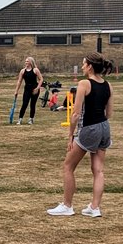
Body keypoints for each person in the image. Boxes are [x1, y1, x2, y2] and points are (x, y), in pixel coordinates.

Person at [47, 53, 114, 218]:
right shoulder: (108, 85)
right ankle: (94, 207)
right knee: (98, 170)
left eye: (84, 64)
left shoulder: (84, 84)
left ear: (90, 66)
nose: (82, 66)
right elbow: (109, 113)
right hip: (105, 128)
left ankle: (67, 205)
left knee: (68, 166)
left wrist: (71, 135)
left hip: (89, 128)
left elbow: (76, 114)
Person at [13, 56, 43, 125]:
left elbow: (41, 79)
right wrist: (16, 91)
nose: (26, 62)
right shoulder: (22, 71)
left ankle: (31, 119)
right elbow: (19, 81)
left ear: (31, 62)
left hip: (34, 89)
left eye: (27, 61)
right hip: (27, 89)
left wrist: (37, 88)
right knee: (24, 104)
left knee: (32, 104)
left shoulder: (35, 70)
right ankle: (20, 119)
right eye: (25, 61)